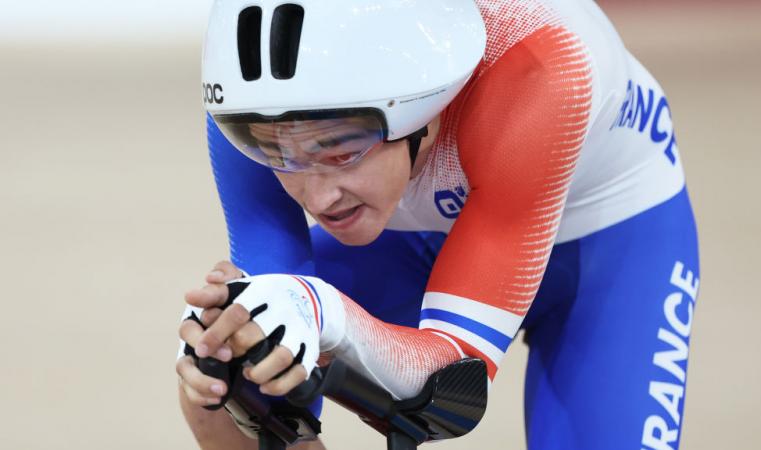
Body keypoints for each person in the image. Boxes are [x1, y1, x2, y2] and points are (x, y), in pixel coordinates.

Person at [176, 1, 700, 449]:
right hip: (432, 229)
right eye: (278, 152)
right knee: (227, 369)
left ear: (425, 108)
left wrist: (321, 311)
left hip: (609, 239)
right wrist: (249, 338)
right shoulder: (256, 101)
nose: (316, 196)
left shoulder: (537, 74)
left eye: (339, 151)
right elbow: (267, 339)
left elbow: (450, 390)